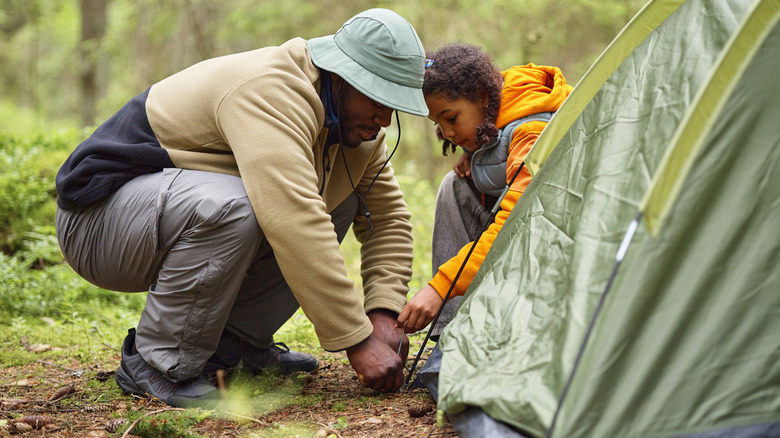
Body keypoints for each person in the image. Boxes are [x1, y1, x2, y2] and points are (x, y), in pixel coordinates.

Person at [55, 8, 429, 407]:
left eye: (395, 104)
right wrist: (357, 340)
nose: (385, 119)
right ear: (341, 77)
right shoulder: (271, 89)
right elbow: (294, 219)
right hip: (98, 223)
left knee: (339, 199)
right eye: (378, 98)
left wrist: (384, 311)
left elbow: (387, 218)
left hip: (163, 215)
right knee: (240, 206)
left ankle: (233, 346)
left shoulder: (356, 131)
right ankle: (156, 362)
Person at [397, 43, 572, 336]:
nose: (448, 133)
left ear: (481, 96)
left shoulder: (531, 133)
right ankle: (450, 332)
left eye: (451, 118)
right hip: (526, 238)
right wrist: (478, 153)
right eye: (438, 123)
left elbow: (515, 224)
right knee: (454, 185)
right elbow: (500, 135)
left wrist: (441, 286)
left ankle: (469, 335)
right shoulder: (496, 107)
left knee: (460, 190)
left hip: (551, 246)